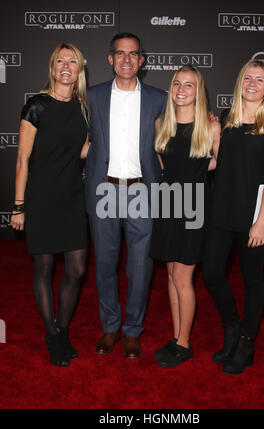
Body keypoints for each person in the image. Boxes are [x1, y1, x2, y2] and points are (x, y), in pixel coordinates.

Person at [202, 60, 264, 374]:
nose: (252, 84)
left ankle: (247, 341)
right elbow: (214, 162)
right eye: (248, 78)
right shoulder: (226, 119)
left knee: (253, 280)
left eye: (260, 80)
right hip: (221, 211)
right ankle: (232, 328)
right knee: (211, 272)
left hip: (253, 215)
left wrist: (261, 220)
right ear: (239, 82)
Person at [83, 33, 167, 358]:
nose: (127, 60)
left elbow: (179, 135)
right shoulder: (92, 96)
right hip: (103, 189)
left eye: (133, 54)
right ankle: (110, 327)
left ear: (141, 61)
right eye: (120, 54)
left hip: (141, 191)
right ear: (110, 59)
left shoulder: (160, 99)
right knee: (104, 263)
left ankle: (133, 329)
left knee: (140, 267)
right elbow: (75, 135)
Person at [10, 43, 89, 367]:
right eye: (60, 61)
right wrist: (18, 206)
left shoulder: (82, 107)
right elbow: (22, 159)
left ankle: (63, 327)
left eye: (72, 61)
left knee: (77, 269)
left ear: (79, 70)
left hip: (72, 198)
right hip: (41, 198)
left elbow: (81, 151)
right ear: (52, 68)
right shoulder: (36, 106)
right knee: (43, 269)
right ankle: (53, 334)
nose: (66, 66)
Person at [149, 65, 220, 367]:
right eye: (177, 83)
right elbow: (162, 162)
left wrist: (196, 174)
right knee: (169, 273)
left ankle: (184, 343)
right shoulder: (161, 124)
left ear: (198, 91)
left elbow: (218, 161)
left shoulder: (211, 126)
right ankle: (176, 335)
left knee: (183, 276)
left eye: (189, 85)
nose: (181, 89)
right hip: (167, 202)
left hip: (193, 205)